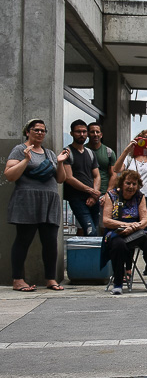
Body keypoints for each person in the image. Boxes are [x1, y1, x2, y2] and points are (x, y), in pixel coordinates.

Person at [5, 119, 71, 292]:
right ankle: (18, 280)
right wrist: (26, 160)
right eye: (36, 130)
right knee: (23, 240)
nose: (40, 133)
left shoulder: (49, 153)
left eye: (43, 130)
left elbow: (60, 179)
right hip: (28, 200)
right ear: (28, 131)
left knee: (50, 242)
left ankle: (50, 279)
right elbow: (10, 175)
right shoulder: (20, 150)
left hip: (49, 201)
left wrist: (60, 162)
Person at [100, 169, 147, 294]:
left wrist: (133, 227)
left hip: (136, 230)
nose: (131, 187)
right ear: (122, 183)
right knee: (118, 245)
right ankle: (118, 283)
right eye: (128, 183)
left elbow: (145, 220)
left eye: (134, 184)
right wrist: (125, 225)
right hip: (115, 231)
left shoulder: (140, 197)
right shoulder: (111, 196)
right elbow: (106, 221)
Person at [111, 130, 147, 250]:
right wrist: (127, 151)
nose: (146, 141)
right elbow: (116, 169)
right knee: (130, 231)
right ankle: (128, 267)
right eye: (144, 138)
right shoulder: (130, 158)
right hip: (131, 198)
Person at [63, 119, 102, 236]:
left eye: (84, 132)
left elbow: (97, 175)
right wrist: (91, 191)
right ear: (71, 133)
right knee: (90, 232)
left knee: (94, 233)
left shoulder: (90, 153)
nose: (82, 135)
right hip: (76, 198)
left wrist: (93, 195)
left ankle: (90, 255)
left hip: (93, 198)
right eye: (78, 132)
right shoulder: (67, 152)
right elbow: (68, 178)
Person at [87, 122, 117, 196]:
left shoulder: (109, 152)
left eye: (97, 132)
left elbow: (113, 174)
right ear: (87, 134)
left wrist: (107, 193)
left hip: (103, 193)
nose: (95, 134)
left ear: (101, 135)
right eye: (92, 132)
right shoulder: (83, 150)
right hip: (85, 192)